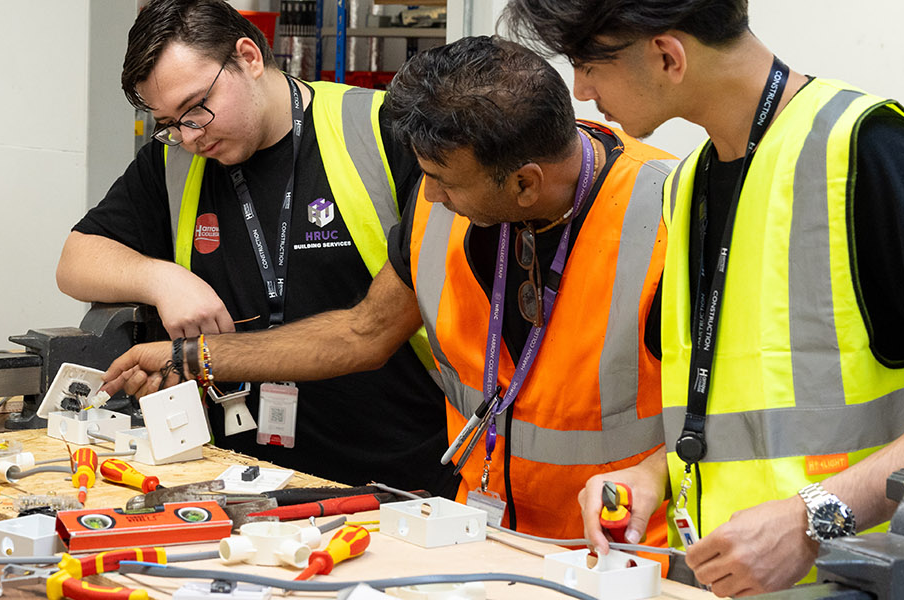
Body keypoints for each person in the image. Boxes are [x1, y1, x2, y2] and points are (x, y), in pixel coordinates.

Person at [501, 0, 904, 595]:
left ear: (668, 56)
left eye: (589, 65)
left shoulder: (867, 148)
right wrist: (652, 472)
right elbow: (741, 415)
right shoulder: (690, 184)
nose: (582, 91)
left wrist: (810, 519)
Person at [101, 36, 679, 541]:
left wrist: (657, 473)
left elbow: (734, 415)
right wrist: (191, 357)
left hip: (621, 552)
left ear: (525, 183)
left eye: (442, 181)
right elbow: (364, 332)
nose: (427, 197)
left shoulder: (668, 217)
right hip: (480, 532)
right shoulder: (447, 209)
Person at [56, 0, 453, 496]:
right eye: (169, 122)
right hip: (239, 480)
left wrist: (194, 355)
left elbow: (378, 330)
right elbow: (76, 260)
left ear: (248, 57)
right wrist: (163, 279)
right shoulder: (174, 159)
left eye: (196, 108)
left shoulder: (379, 130)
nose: (189, 135)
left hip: (398, 480)